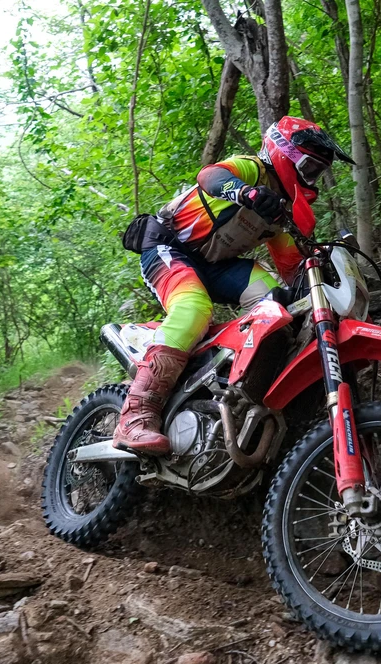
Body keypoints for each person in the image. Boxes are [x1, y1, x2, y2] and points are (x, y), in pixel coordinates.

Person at [113, 116, 354, 455]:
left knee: (277, 305)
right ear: (285, 154)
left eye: (317, 171)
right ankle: (134, 416)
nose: (311, 178)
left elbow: (291, 268)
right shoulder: (251, 169)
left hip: (217, 265)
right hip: (169, 247)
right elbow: (209, 176)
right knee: (194, 307)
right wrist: (245, 192)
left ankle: (234, 384)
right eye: (309, 167)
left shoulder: (283, 211)